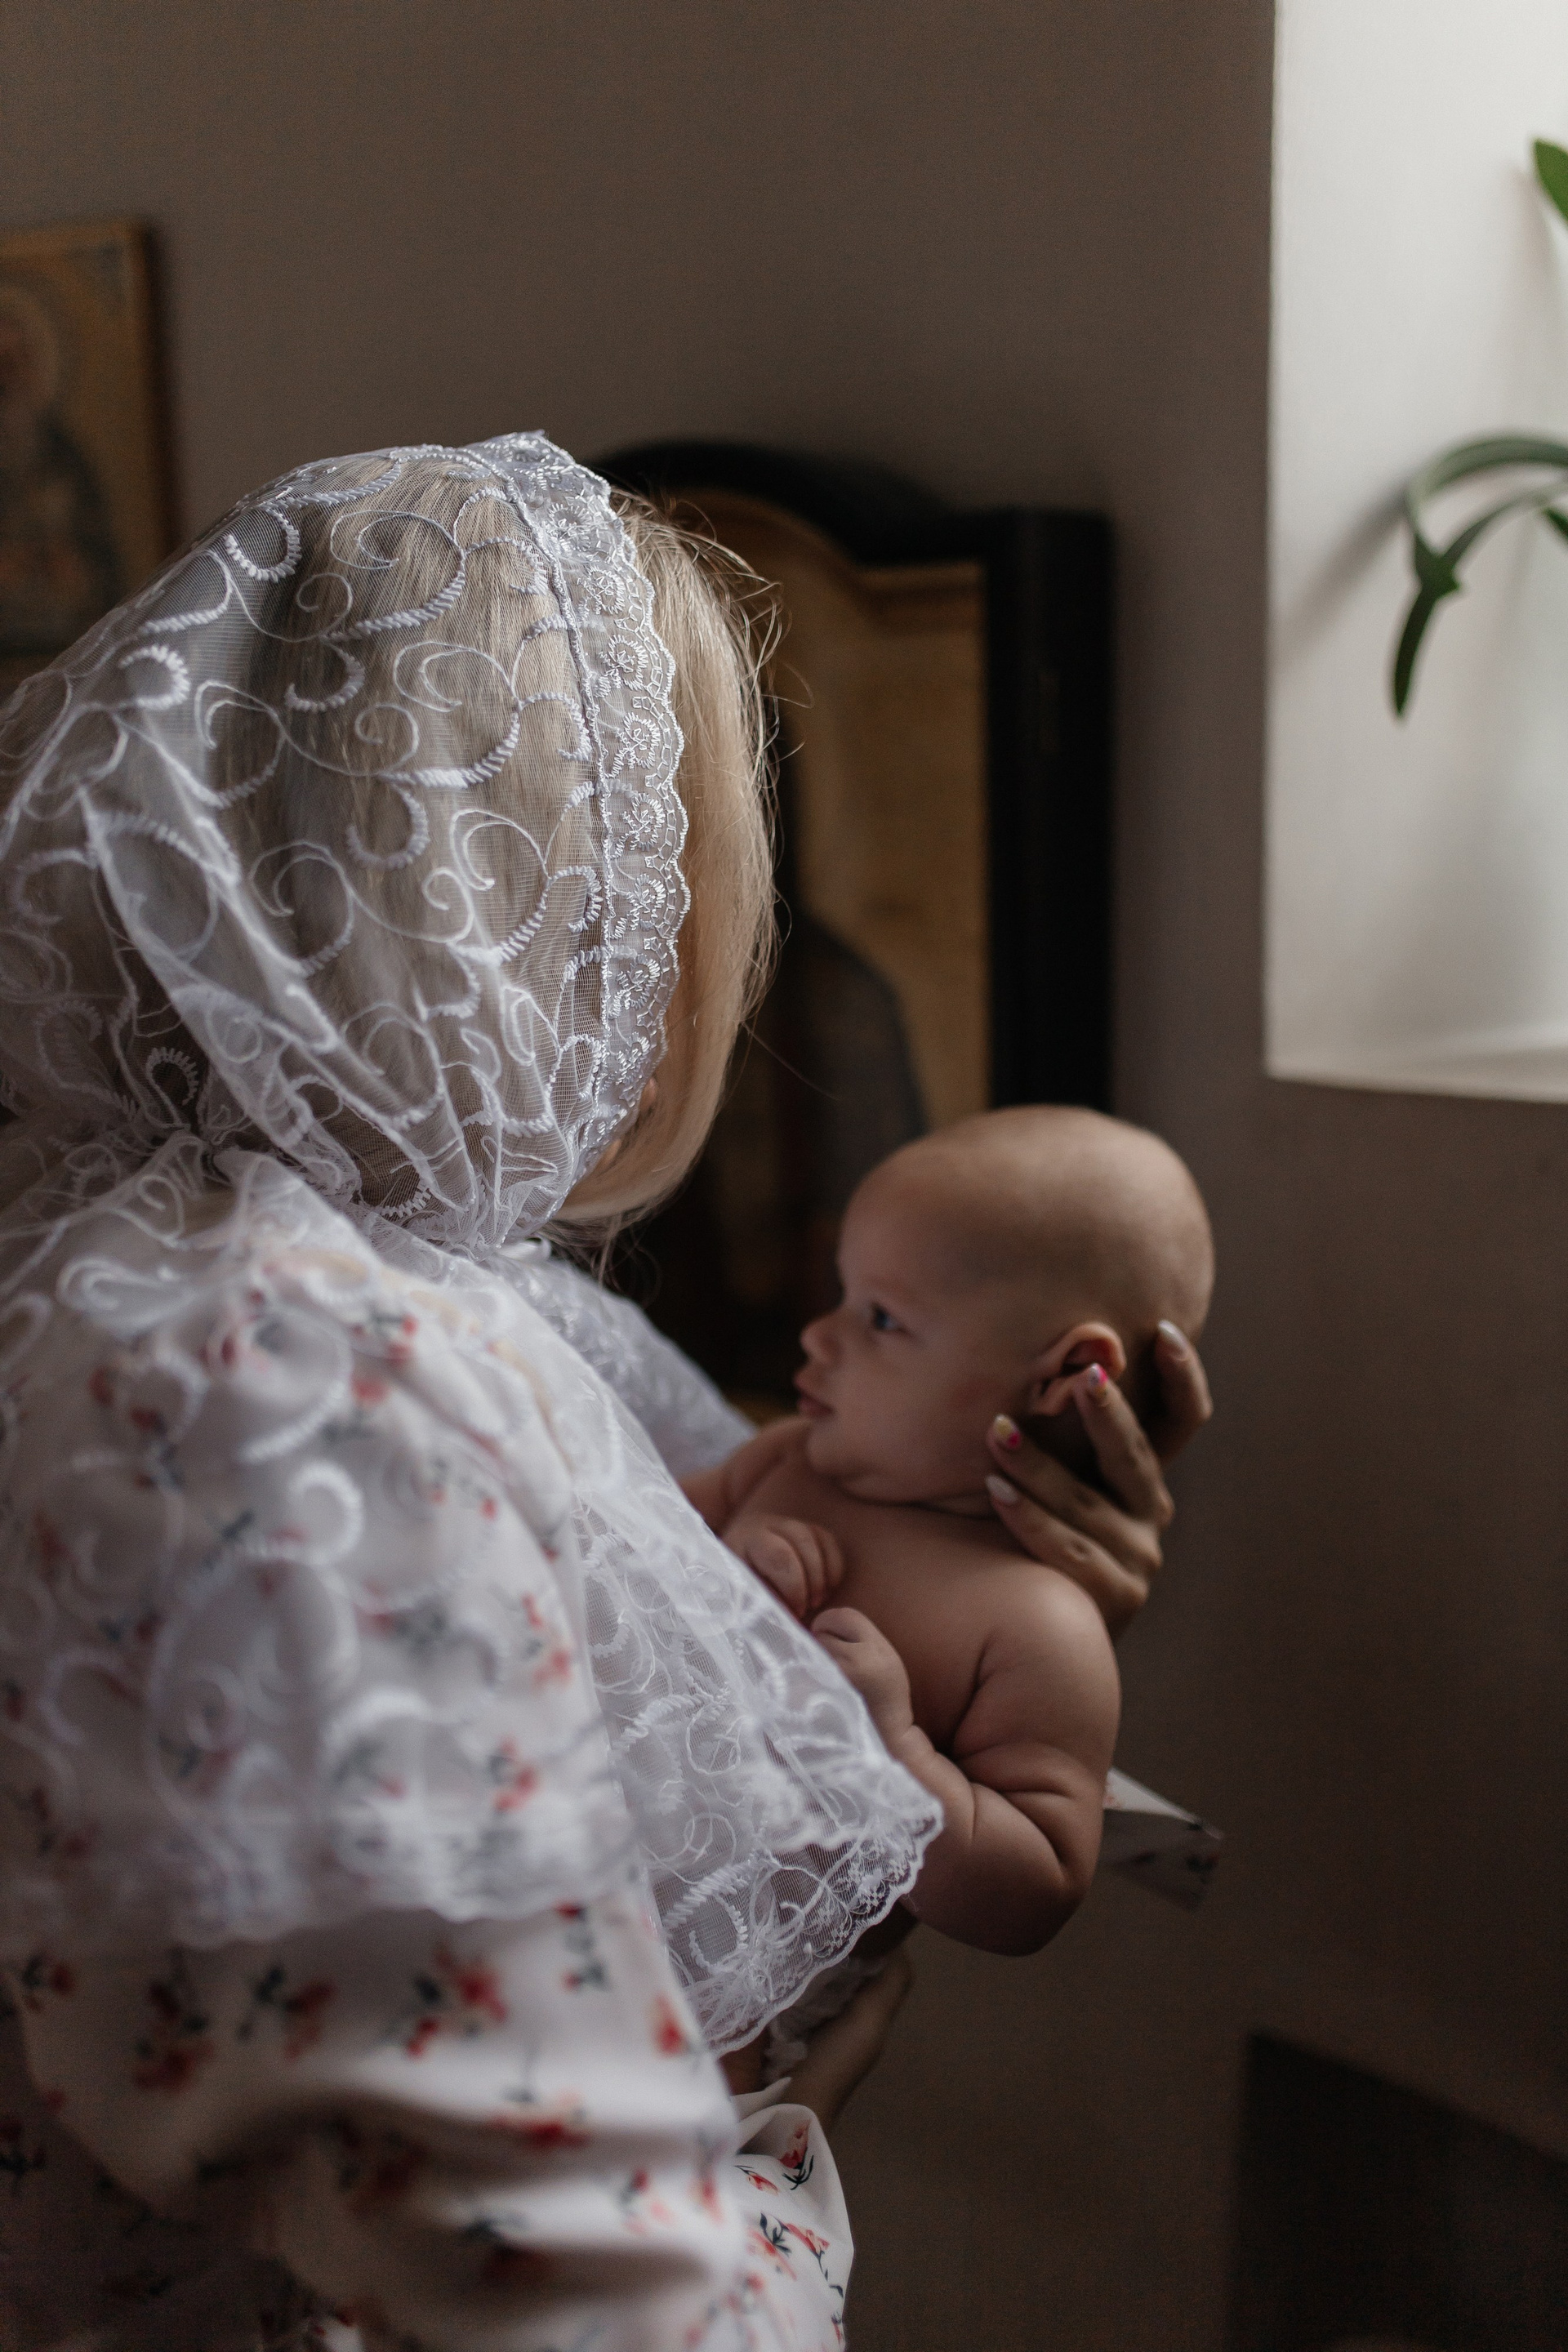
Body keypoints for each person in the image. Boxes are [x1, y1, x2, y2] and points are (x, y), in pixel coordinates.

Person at [0, 436, 1210, 2352]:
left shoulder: (359, 1270)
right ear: (523, 908)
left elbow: (732, 1572)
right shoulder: (286, 1371)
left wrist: (1004, 1567)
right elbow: (566, 2291)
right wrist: (787, 2160)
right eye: (674, 891)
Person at [683, 1107, 1213, 2072]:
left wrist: (890, 1753)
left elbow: (1035, 1895)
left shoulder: (1040, 1624)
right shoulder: (784, 1458)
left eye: (883, 1319)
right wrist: (717, 1555)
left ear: (1067, 1377)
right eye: (843, 1295)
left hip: (735, 2019)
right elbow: (595, 1550)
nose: (819, 1337)